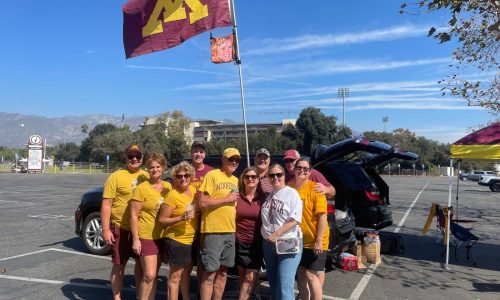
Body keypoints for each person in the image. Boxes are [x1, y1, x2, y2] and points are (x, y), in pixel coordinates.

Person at [101, 144, 149, 300]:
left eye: (138, 156)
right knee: (119, 265)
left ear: (142, 158)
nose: (134, 159)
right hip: (120, 228)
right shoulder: (116, 176)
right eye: (131, 156)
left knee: (140, 265)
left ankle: (139, 295)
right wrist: (106, 230)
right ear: (125, 157)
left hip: (141, 229)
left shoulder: (146, 176)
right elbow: (106, 204)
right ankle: (117, 297)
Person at [198, 148, 240, 300]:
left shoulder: (236, 180)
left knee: (223, 274)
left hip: (230, 231)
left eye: (236, 160)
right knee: (210, 274)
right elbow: (202, 202)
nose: (234, 162)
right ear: (223, 160)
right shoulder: (213, 175)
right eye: (231, 159)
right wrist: (226, 199)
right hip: (213, 231)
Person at [130, 152, 172, 300]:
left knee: (155, 274)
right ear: (148, 169)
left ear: (163, 168)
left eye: (158, 166)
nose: (155, 169)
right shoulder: (142, 188)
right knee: (149, 275)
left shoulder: (168, 187)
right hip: (146, 236)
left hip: (163, 236)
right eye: (151, 167)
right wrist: (136, 239)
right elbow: (134, 215)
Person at [261, 164, 303, 300]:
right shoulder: (269, 195)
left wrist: (276, 234)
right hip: (268, 244)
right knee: (273, 282)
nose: (275, 178)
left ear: (284, 175)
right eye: (271, 175)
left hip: (288, 241)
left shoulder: (291, 193)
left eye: (279, 174)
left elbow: (295, 220)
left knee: (285, 284)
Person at [289, 158, 329, 300]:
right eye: (299, 167)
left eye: (306, 169)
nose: (302, 171)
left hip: (316, 240)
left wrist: (318, 241)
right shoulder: (290, 187)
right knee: (300, 273)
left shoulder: (316, 189)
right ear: (294, 169)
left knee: (311, 275)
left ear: (310, 172)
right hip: (298, 240)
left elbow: (323, 216)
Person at [158, 161, 198, 300]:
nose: (183, 178)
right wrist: (181, 217)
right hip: (176, 241)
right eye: (179, 176)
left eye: (186, 175)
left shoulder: (193, 191)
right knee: (175, 277)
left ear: (191, 176)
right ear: (174, 178)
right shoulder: (172, 195)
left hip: (191, 240)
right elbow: (162, 220)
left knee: (186, 274)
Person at [235, 167, 267, 300]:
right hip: (239, 242)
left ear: (258, 180)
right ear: (243, 179)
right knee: (242, 277)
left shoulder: (264, 198)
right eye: (247, 176)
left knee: (249, 278)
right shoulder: (237, 197)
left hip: (256, 243)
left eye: (254, 177)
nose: (250, 179)